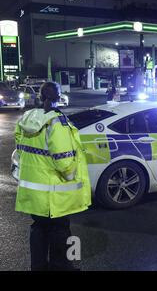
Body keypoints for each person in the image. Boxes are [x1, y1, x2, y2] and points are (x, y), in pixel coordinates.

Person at [15, 82, 91, 271]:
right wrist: (70, 175)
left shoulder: (27, 117)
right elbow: (63, 160)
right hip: (54, 193)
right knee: (60, 229)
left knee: (39, 227)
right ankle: (61, 267)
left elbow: (20, 145)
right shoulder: (57, 122)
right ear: (58, 97)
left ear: (41, 97)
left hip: (33, 191)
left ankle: (39, 267)